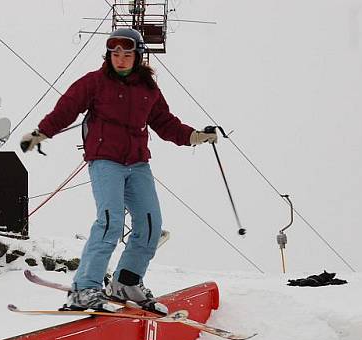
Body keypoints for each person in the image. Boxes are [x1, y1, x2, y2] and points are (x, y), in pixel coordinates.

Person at [20, 27, 217, 313]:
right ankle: (84, 288)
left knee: (150, 224)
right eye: (115, 54)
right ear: (109, 56)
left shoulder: (148, 90)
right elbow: (68, 107)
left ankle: (126, 281)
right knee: (110, 221)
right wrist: (42, 132)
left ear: (137, 57)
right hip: (105, 160)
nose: (121, 59)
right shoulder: (95, 82)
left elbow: (166, 124)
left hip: (137, 163)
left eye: (127, 54)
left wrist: (195, 136)